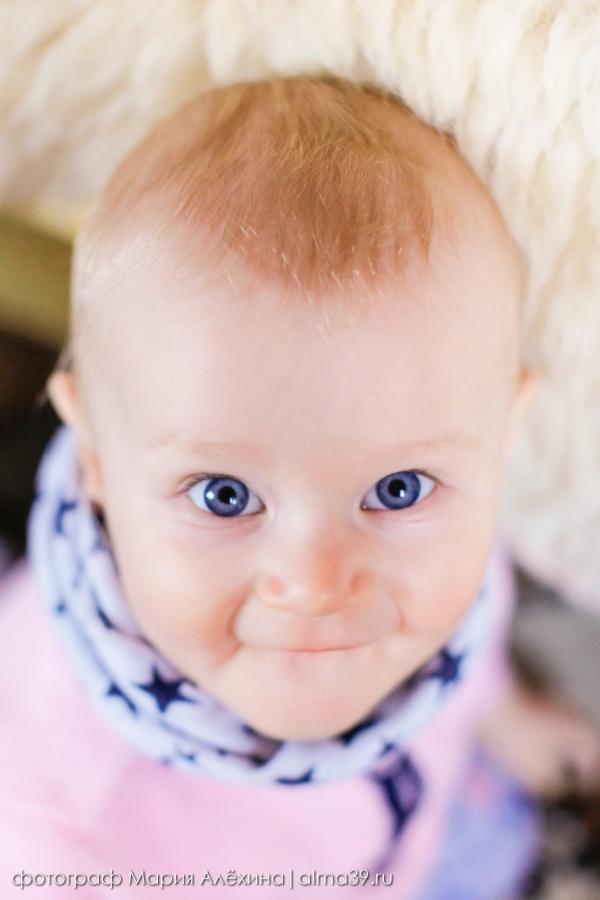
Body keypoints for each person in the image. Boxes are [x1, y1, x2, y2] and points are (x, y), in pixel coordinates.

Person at [1, 76, 598, 898]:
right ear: (97, 460)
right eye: (223, 496)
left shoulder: (450, 539)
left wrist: (496, 710)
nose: (317, 584)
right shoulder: (54, 828)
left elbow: (477, 617)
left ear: (501, 440)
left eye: (396, 490)